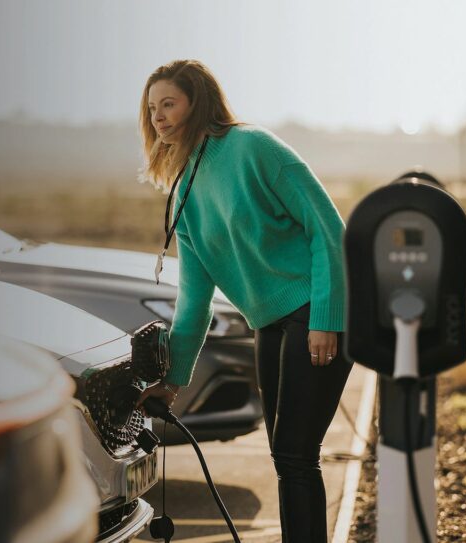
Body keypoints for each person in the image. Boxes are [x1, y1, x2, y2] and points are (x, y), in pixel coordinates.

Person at [135, 59, 353, 543]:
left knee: (297, 454)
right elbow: (194, 300)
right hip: (271, 323)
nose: (159, 117)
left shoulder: (253, 148)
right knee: (285, 456)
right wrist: (173, 382)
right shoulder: (183, 188)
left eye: (169, 103)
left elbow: (329, 230)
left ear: (198, 102)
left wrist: (326, 317)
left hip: (315, 312)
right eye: (152, 109)